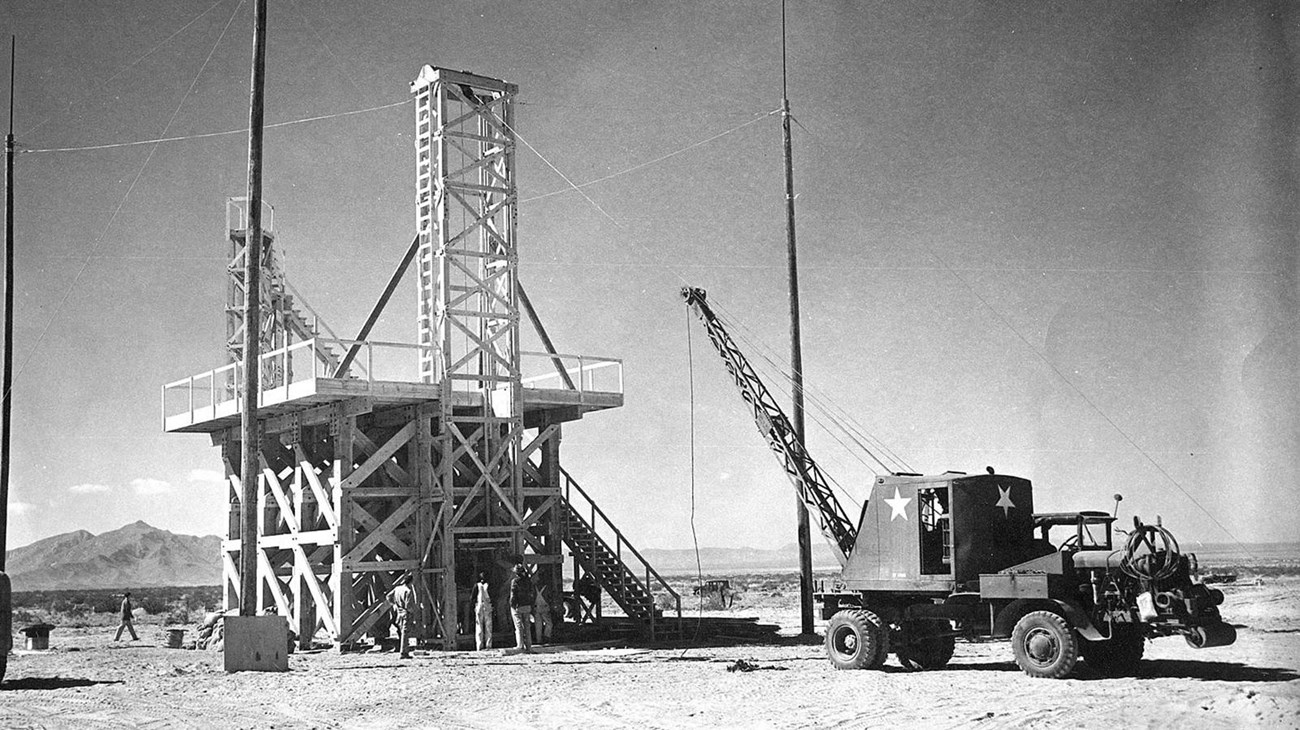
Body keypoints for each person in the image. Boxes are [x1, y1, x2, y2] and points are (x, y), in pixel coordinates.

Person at [387, 572, 416, 659]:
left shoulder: (397, 588)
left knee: (401, 631)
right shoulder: (408, 591)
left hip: (398, 612)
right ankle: (403, 652)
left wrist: (394, 604)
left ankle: (403, 650)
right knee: (405, 633)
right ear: (411, 582)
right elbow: (409, 606)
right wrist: (413, 612)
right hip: (406, 613)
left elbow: (388, 596)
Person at [508, 559, 534, 653]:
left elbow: (513, 594)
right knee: (527, 626)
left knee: (518, 626)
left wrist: (512, 605)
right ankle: (529, 646)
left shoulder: (515, 581)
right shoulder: (528, 581)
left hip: (518, 606)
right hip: (527, 605)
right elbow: (532, 592)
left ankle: (520, 645)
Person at [474, 571, 493, 650]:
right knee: (488, 627)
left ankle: (479, 645)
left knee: (479, 627)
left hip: (479, 606)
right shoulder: (489, 586)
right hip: (487, 606)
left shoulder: (477, 586)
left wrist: (474, 606)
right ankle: (488, 645)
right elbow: (493, 596)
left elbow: (472, 597)